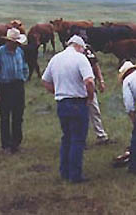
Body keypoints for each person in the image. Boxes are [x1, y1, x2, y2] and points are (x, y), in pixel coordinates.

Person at [41, 35, 95, 183]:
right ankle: (75, 175)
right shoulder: (80, 58)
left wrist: (58, 90)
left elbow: (44, 81)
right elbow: (89, 81)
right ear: (79, 47)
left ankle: (64, 171)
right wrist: (90, 97)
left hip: (62, 103)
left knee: (67, 138)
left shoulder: (55, 58)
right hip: (78, 103)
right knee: (78, 140)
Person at [0, 28, 29, 154]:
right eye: (14, 42)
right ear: (8, 41)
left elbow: (24, 67)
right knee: (5, 117)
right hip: (5, 87)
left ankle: (16, 143)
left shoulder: (19, 52)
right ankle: (6, 145)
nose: (17, 45)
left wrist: (24, 78)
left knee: (18, 116)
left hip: (18, 86)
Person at [84, 47, 112, 145]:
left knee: (95, 111)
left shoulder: (88, 50)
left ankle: (101, 136)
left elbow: (95, 66)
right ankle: (80, 139)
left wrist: (101, 81)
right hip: (77, 88)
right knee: (81, 114)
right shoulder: (71, 54)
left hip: (90, 85)